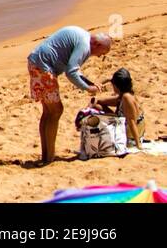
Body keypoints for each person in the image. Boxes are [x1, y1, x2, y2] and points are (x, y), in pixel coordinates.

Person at [27, 26, 112, 163]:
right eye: (101, 53)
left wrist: (90, 83)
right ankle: (49, 157)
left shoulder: (84, 37)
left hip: (37, 62)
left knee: (49, 112)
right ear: (97, 44)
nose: (99, 56)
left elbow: (75, 70)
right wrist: (88, 88)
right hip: (43, 67)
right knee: (56, 111)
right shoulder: (85, 46)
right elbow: (71, 72)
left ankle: (46, 155)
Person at [95, 67, 145, 149]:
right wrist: (107, 80)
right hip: (130, 135)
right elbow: (100, 101)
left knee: (97, 106)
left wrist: (138, 145)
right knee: (97, 104)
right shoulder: (126, 95)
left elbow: (131, 121)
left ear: (117, 86)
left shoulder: (126, 98)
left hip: (130, 139)